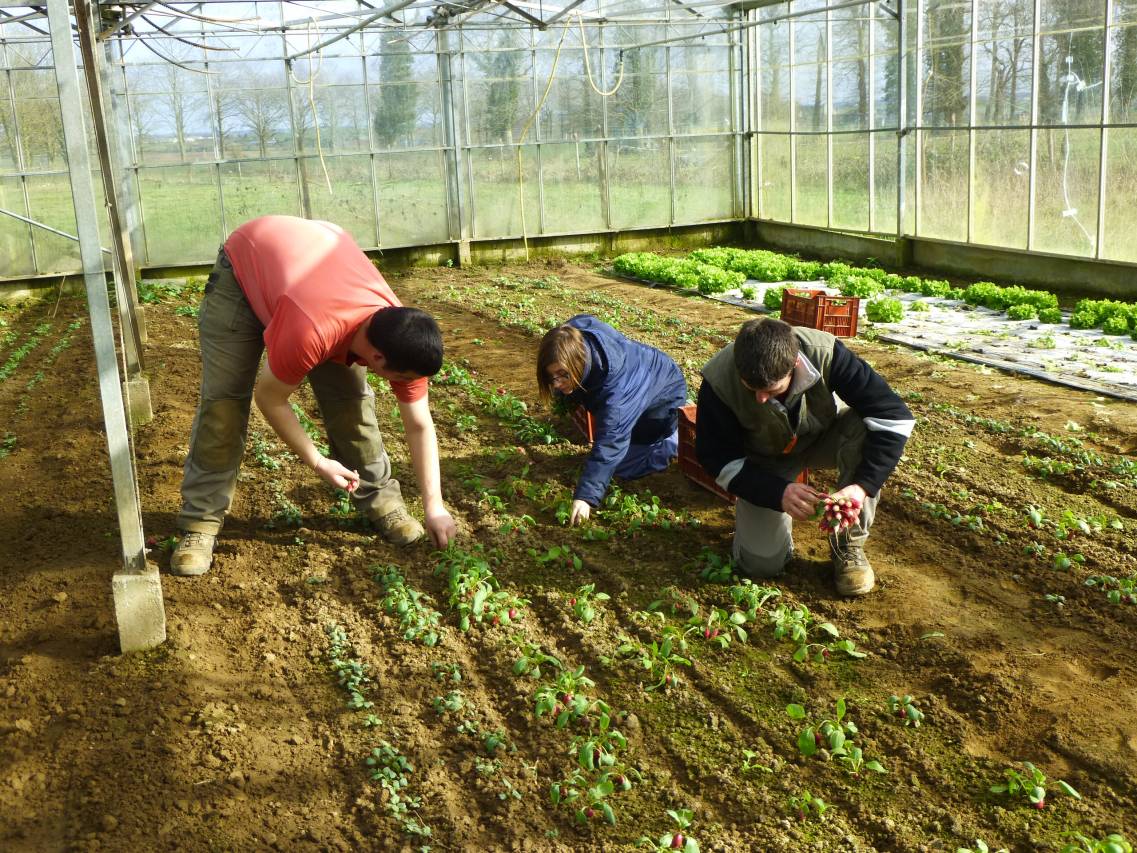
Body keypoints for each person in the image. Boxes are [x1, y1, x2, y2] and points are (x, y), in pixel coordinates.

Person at [170, 215, 457, 576]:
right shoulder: (312, 331)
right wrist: (318, 462)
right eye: (397, 379)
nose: (401, 385)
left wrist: (435, 507)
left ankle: (382, 500)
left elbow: (419, 424)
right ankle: (200, 523)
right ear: (378, 357)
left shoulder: (402, 334)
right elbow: (270, 398)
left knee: (352, 404)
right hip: (246, 270)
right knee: (224, 405)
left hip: (313, 268)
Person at [695, 318, 914, 597]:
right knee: (761, 564)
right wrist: (777, 493)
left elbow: (893, 417)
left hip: (821, 436)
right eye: (752, 389)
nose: (761, 399)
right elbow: (715, 455)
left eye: (772, 389)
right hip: (765, 459)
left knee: (867, 425)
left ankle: (848, 547)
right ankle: (764, 531)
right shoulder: (720, 379)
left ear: (794, 366)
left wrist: (861, 487)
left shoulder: (825, 353)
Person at [537, 315, 687, 525]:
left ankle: (668, 443)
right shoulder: (574, 336)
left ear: (578, 360)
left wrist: (585, 498)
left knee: (620, 467)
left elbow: (610, 443)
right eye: (552, 377)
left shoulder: (616, 396)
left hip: (663, 401)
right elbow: (583, 320)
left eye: (563, 375)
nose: (557, 383)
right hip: (646, 374)